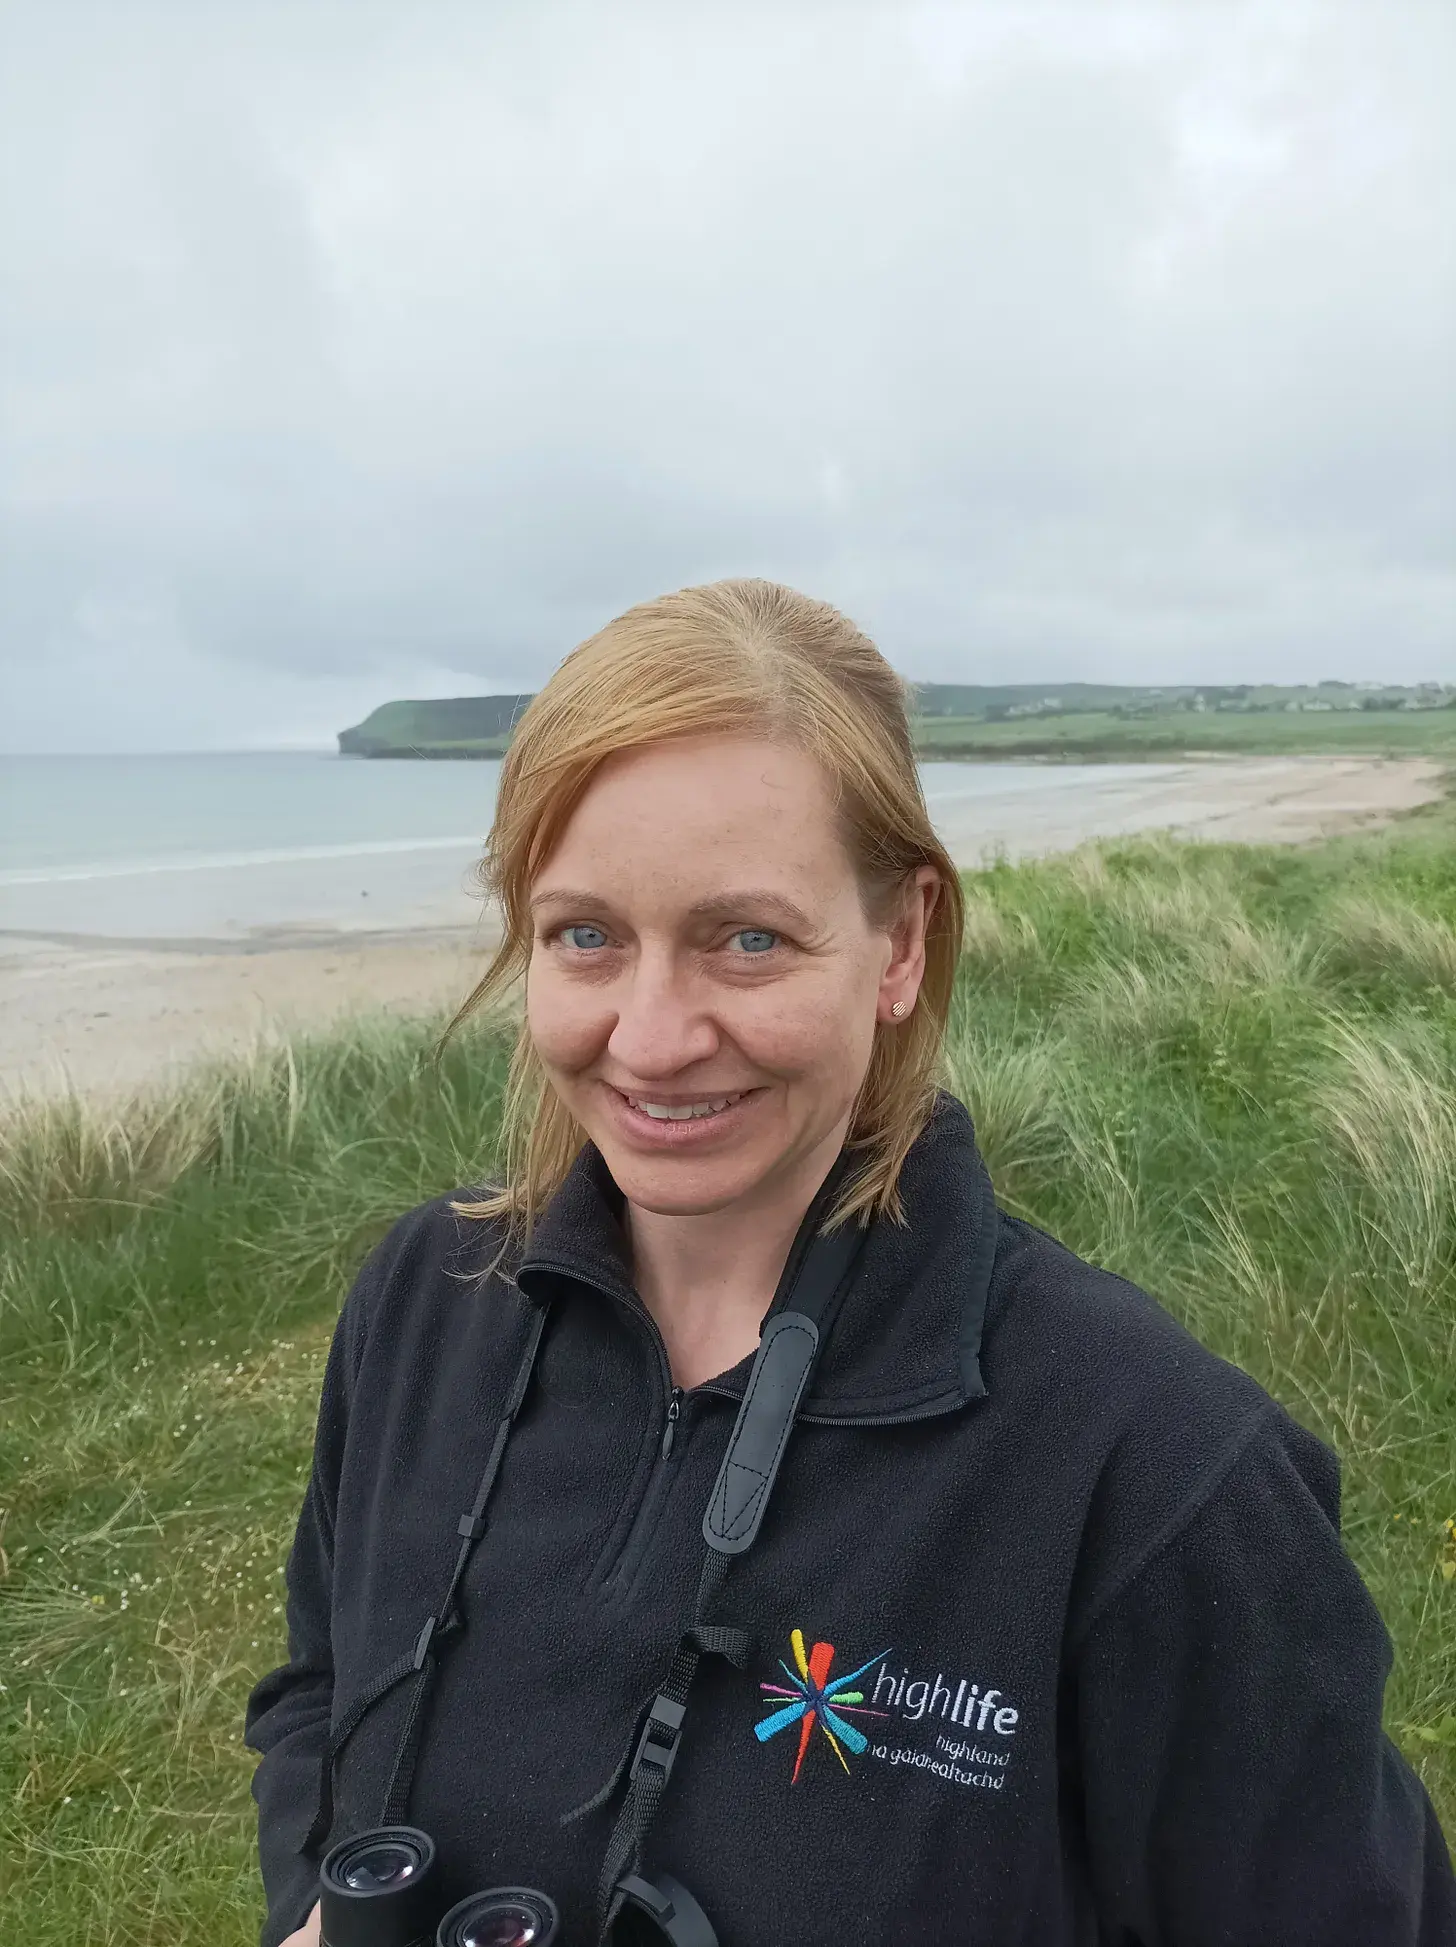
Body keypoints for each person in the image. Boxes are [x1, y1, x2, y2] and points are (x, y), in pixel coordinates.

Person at [245, 579, 1454, 1947]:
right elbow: (316, 1695)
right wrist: (316, 1905)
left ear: (900, 942)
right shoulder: (423, 1301)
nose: (649, 1037)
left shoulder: (1154, 1469)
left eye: (746, 938)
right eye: (586, 934)